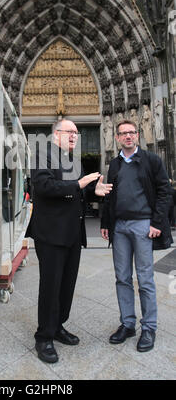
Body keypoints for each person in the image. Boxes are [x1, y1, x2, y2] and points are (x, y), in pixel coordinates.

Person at [26, 118, 113, 363]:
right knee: (50, 286)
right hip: (51, 234)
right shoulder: (42, 155)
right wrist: (78, 184)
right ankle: (43, 337)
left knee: (67, 286)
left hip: (73, 233)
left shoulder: (73, 160)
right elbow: (43, 187)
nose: (75, 136)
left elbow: (78, 190)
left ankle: (57, 326)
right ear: (56, 134)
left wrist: (91, 190)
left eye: (77, 133)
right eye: (70, 132)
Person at [101, 119, 173, 352]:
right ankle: (128, 324)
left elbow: (164, 191)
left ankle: (149, 327)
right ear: (118, 138)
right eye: (123, 133)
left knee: (145, 279)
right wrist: (105, 222)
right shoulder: (114, 164)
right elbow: (109, 195)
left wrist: (157, 222)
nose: (128, 136)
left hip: (143, 225)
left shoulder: (151, 160)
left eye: (132, 132)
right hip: (120, 227)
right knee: (122, 277)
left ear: (138, 135)